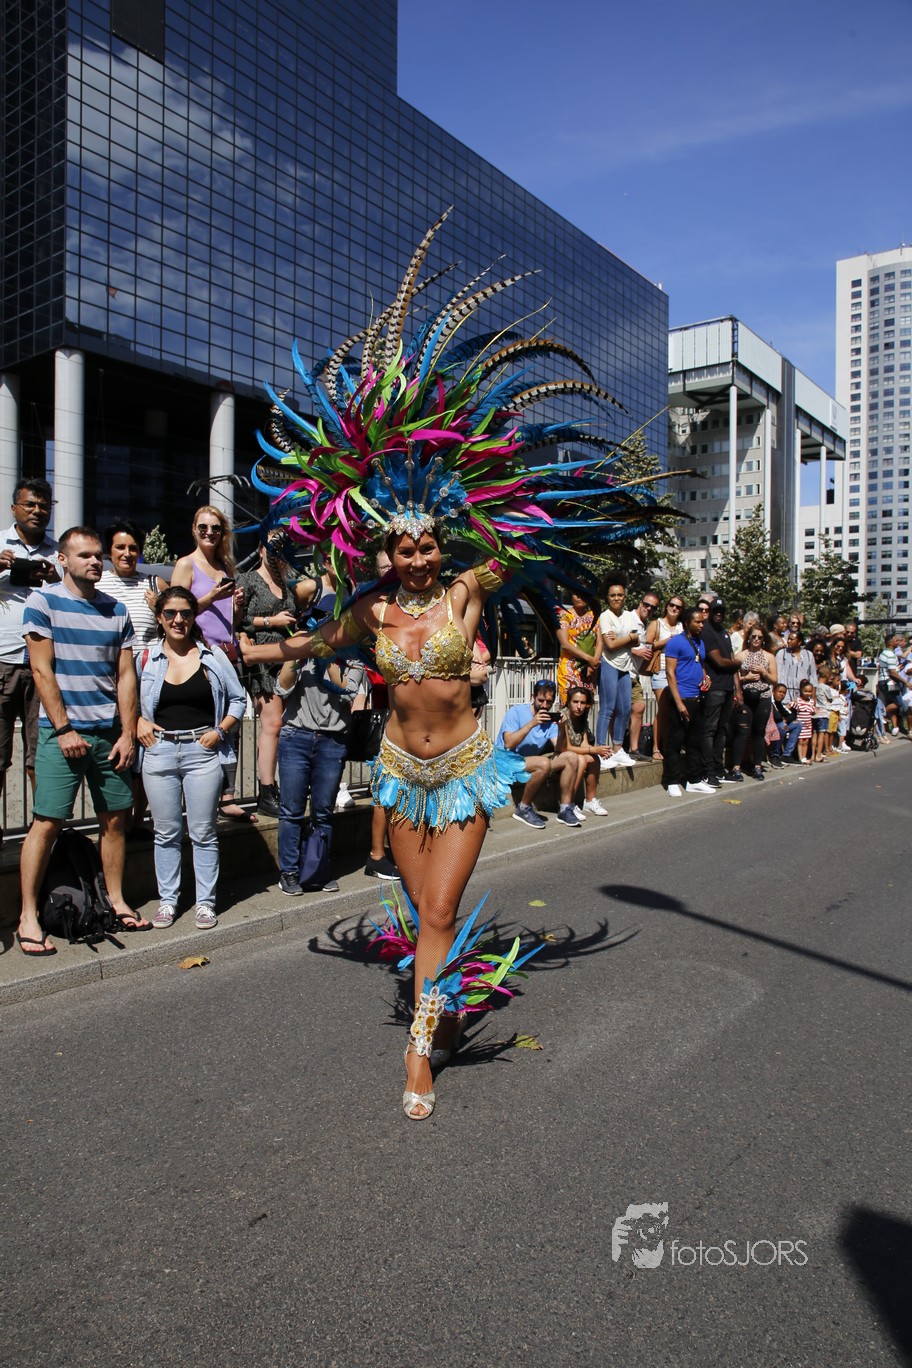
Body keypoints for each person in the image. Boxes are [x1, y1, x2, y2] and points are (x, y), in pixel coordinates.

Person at [17, 527, 151, 955]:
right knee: (47, 822)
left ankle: (116, 901)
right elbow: (42, 670)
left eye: (97, 555)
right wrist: (64, 729)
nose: (95, 561)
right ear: (63, 560)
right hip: (62, 734)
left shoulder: (116, 610)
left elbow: (126, 676)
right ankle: (28, 916)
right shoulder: (43, 602)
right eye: (85, 555)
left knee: (115, 819)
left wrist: (127, 733)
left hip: (110, 734)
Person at [138, 586, 246, 929]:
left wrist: (220, 731)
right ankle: (168, 901)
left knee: (203, 832)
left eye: (185, 613)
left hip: (202, 752)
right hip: (159, 751)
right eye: (170, 613)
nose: (178, 620)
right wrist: (138, 720)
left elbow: (238, 699)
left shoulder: (211, 657)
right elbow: (127, 697)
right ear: (160, 617)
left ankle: (205, 902)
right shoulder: (146, 658)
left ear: (193, 617)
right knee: (166, 832)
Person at [171, 506, 250, 821]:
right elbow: (175, 610)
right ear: (194, 529)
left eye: (215, 528)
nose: (209, 533)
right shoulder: (185, 564)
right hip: (198, 655)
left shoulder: (226, 566)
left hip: (227, 654)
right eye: (203, 527)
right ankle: (194, 798)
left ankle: (227, 795)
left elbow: (232, 622)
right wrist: (211, 598)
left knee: (231, 724)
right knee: (200, 725)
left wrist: (237, 606)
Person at [272, 650, 366, 896]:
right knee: (291, 810)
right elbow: (282, 688)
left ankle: (319, 868)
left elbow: (348, 690)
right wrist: (297, 653)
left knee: (323, 811)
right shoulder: (303, 650)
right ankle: (289, 871)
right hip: (296, 736)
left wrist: (328, 657)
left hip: (333, 741)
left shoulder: (354, 656)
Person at [237, 536, 319, 816]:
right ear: (261, 549)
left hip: (286, 659)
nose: (277, 553)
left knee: (284, 724)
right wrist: (272, 621)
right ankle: (266, 790)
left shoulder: (288, 585)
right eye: (272, 547)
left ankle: (280, 786)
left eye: (283, 549)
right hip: (261, 659)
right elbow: (238, 621)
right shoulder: (248, 580)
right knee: (271, 724)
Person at [0, 478, 58, 844]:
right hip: (3, 660)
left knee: (42, 757)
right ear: (14, 508)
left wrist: (56, 578)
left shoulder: (59, 553)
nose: (37, 511)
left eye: (43, 505)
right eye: (30, 504)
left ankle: (44, 837)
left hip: (46, 665)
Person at [99, 517, 160, 835]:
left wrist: (159, 606)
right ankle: (117, 822)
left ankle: (138, 820)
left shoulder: (153, 583)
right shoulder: (98, 584)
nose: (127, 553)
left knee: (146, 754)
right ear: (109, 551)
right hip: (111, 681)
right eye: (120, 547)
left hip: (148, 681)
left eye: (133, 548)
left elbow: (173, 624)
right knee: (119, 754)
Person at [497, 679, 586, 829]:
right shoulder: (516, 712)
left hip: (528, 762)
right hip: (505, 761)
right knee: (543, 763)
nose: (544, 705)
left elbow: (560, 749)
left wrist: (562, 728)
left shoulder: (549, 720)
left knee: (571, 757)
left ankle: (565, 809)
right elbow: (508, 744)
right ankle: (523, 808)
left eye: (549, 702)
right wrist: (531, 724)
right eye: (541, 700)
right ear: (533, 697)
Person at [663, 605, 712, 797]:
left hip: (698, 697)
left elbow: (700, 664)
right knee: (676, 741)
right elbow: (670, 673)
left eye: (702, 622)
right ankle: (672, 781)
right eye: (697, 622)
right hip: (682, 697)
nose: (701, 625)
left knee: (695, 741)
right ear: (687, 622)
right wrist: (679, 702)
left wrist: (706, 677)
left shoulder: (700, 642)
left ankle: (694, 780)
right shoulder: (676, 642)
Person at [699, 598, 744, 788]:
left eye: (722, 611)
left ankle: (719, 769)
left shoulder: (724, 633)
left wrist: (738, 690)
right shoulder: (707, 631)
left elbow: (731, 662)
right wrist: (738, 662)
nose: (719, 614)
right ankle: (707, 772)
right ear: (710, 611)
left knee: (721, 730)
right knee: (710, 730)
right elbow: (719, 661)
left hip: (727, 688)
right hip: (714, 688)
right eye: (715, 610)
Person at [595, 578, 638, 766]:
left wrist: (624, 638)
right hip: (609, 663)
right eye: (612, 595)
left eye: (620, 595)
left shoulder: (629, 615)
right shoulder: (605, 616)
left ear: (624, 596)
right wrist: (629, 637)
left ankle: (618, 748)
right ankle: (600, 750)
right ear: (607, 597)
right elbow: (610, 645)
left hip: (625, 666)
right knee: (608, 707)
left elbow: (638, 640)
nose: (616, 598)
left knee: (625, 708)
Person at [556, 686, 610, 816]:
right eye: (575, 702)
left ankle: (590, 800)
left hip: (572, 753)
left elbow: (584, 743)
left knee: (594, 759)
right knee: (581, 759)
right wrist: (594, 749)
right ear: (569, 702)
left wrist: (598, 751)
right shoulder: (563, 717)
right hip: (559, 754)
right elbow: (566, 747)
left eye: (583, 703)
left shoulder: (582, 718)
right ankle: (569, 804)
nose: (579, 706)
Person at [733, 624, 777, 780]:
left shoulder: (769, 657)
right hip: (745, 697)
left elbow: (774, 680)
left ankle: (757, 766)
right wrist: (746, 678)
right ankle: (736, 767)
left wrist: (764, 672)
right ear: (749, 638)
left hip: (763, 697)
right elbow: (734, 677)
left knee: (759, 732)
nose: (756, 639)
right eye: (754, 637)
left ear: (763, 639)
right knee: (742, 732)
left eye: (759, 637)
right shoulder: (741, 656)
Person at [645, 595, 684, 761]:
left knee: (675, 710)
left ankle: (668, 746)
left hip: (679, 672)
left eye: (678, 607)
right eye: (672, 605)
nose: (674, 608)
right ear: (667, 606)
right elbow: (647, 645)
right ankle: (656, 747)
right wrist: (667, 641)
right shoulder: (657, 624)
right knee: (663, 709)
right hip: (661, 670)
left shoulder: (682, 626)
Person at [625, 591, 659, 757]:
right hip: (621, 671)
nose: (649, 608)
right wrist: (636, 651)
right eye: (646, 605)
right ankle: (615, 749)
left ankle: (634, 749)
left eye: (653, 607)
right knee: (617, 711)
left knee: (639, 707)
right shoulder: (628, 618)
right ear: (640, 603)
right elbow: (613, 643)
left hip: (634, 673)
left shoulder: (646, 626)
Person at [555, 591, 600, 703]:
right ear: (571, 596)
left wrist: (594, 663)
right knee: (569, 706)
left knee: (585, 707)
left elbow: (600, 642)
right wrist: (589, 659)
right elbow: (565, 644)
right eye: (576, 594)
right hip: (570, 671)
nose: (580, 598)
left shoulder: (595, 616)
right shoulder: (564, 615)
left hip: (589, 671)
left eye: (583, 594)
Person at [776, 630, 818, 705]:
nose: (788, 641)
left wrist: (813, 697)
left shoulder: (809, 655)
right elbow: (778, 674)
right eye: (788, 639)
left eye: (791, 639)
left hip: (803, 695)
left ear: (799, 642)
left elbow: (813, 676)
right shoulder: (782, 653)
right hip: (786, 694)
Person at [876, 632, 904, 735]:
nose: (898, 642)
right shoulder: (890, 654)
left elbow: (888, 668)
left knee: (891, 703)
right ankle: (879, 714)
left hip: (885, 681)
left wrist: (898, 668)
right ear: (890, 643)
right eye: (896, 640)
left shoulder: (885, 653)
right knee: (900, 703)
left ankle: (894, 727)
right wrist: (906, 682)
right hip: (888, 682)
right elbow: (893, 673)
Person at [769, 682, 801, 767]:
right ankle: (774, 755)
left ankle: (786, 755)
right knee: (782, 726)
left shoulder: (778, 703)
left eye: (784, 693)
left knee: (798, 724)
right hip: (767, 727)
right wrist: (783, 719)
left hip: (777, 725)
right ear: (773, 692)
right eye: (780, 692)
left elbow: (792, 715)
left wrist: (785, 719)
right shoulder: (770, 701)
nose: (782, 695)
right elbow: (777, 717)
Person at [794, 679, 816, 764]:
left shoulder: (811, 702)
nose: (807, 693)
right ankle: (800, 758)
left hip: (808, 725)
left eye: (809, 691)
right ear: (801, 691)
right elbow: (792, 707)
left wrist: (815, 711)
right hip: (800, 725)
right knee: (800, 741)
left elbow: (813, 711)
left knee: (806, 741)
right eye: (805, 691)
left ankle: (804, 757)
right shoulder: (798, 700)